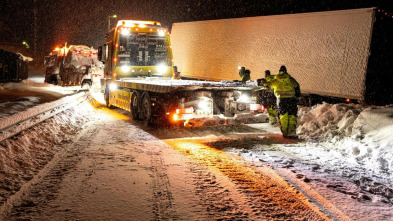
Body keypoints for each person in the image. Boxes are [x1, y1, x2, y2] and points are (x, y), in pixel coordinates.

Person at [267, 65, 301, 138]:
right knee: (292, 116)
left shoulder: (276, 80)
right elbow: (297, 86)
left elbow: (269, 85)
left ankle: (285, 133)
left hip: (281, 100)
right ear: (286, 71)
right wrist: (298, 95)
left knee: (283, 116)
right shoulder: (291, 79)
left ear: (279, 72)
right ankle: (291, 132)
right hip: (291, 100)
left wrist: (266, 79)